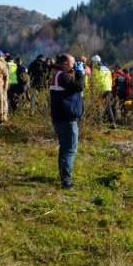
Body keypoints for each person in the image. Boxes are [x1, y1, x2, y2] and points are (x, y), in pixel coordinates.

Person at [50, 54, 85, 189]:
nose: (73, 66)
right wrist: (80, 71)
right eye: (71, 63)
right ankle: (67, 182)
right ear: (64, 64)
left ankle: (63, 176)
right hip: (67, 118)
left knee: (63, 149)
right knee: (70, 151)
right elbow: (80, 86)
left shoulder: (57, 74)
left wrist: (75, 70)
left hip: (59, 118)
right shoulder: (63, 76)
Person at [90, 55, 116, 128]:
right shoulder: (107, 69)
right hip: (107, 89)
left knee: (97, 106)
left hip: (99, 90)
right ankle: (113, 122)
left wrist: (93, 91)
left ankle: (98, 122)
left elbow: (93, 81)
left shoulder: (95, 70)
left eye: (93, 62)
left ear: (95, 62)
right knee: (108, 106)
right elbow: (111, 79)